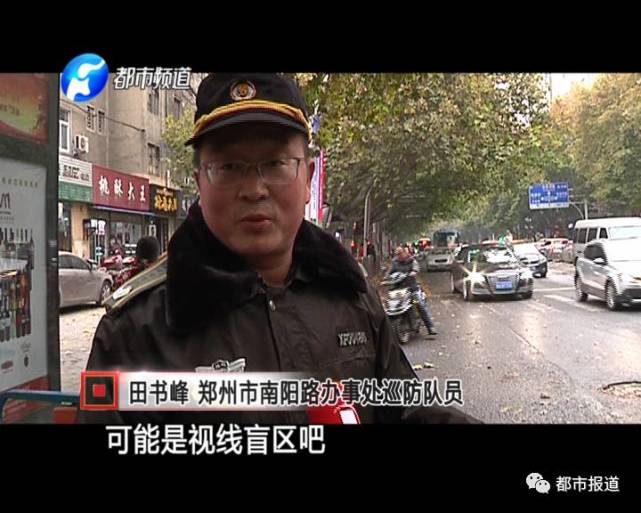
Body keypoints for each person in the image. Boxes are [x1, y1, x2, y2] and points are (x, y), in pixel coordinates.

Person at [79, 73, 474, 424]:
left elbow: (403, 409)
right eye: (229, 167)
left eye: (275, 164)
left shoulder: (349, 294)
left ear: (308, 177)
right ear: (199, 182)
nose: (254, 190)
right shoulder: (136, 328)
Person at [388, 246, 438, 336]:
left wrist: (413, 272)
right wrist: (386, 278)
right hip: (398, 291)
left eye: (400, 254)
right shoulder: (395, 263)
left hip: (412, 291)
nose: (399, 256)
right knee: (389, 306)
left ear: (405, 253)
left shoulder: (412, 261)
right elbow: (389, 273)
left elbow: (415, 268)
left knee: (418, 304)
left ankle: (430, 327)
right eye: (397, 254)